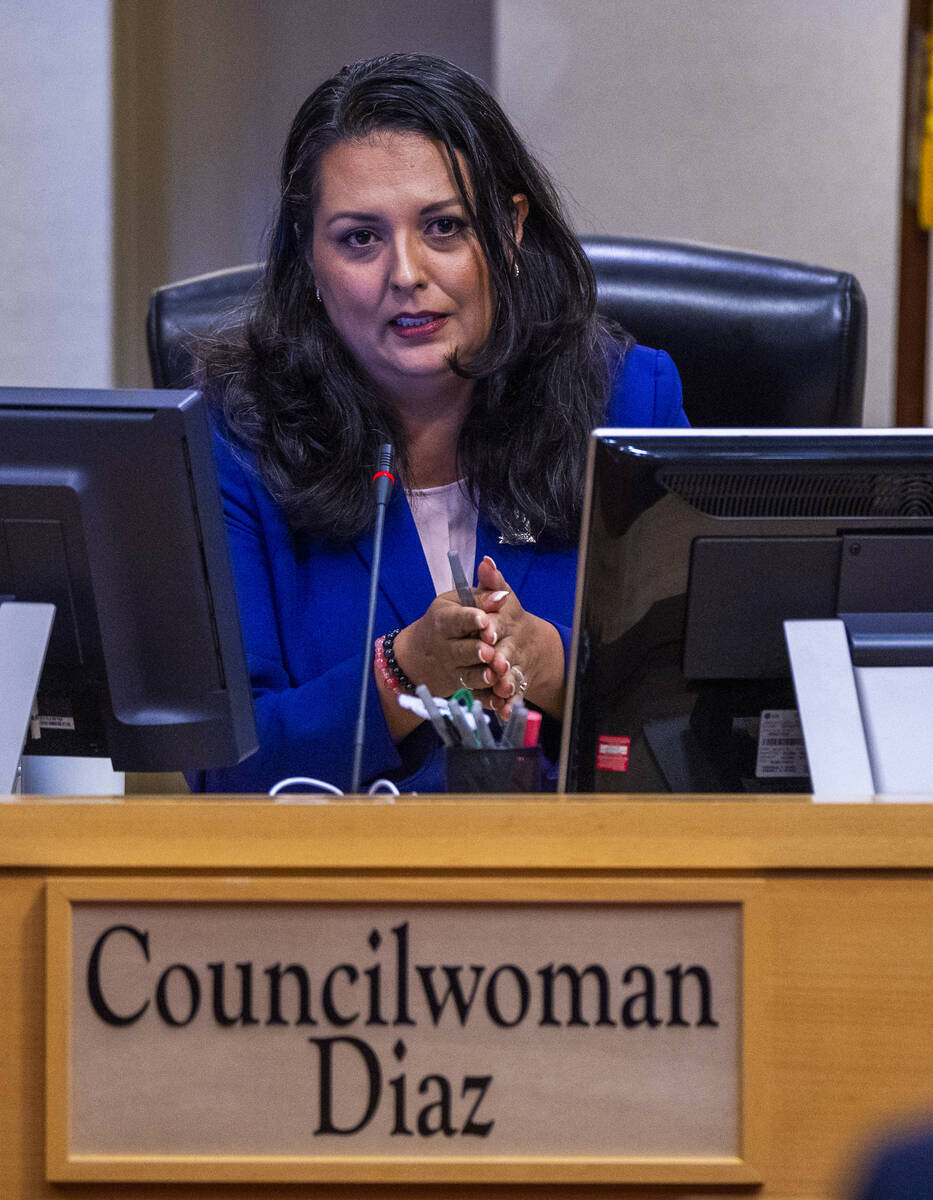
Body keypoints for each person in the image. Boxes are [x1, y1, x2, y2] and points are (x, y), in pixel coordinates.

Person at [190, 52, 688, 795]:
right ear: (308, 255)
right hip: (336, 892)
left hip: (584, 883)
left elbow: (709, 729)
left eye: (445, 227)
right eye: (360, 237)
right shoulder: (238, 438)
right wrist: (401, 673)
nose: (406, 273)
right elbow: (221, 770)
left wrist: (557, 669)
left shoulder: (627, 404)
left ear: (510, 231)